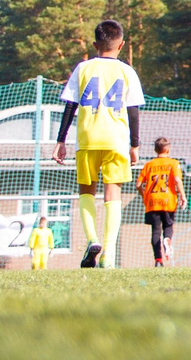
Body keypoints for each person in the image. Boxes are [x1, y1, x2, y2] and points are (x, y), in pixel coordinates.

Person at [54, 19, 146, 269]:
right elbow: (133, 110)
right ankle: (110, 253)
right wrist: (134, 145)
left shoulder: (83, 68)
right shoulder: (127, 71)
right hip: (116, 140)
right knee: (112, 193)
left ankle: (92, 240)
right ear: (122, 45)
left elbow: (70, 106)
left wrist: (61, 141)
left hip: (88, 138)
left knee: (86, 192)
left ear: (95, 44)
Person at [135, 138, 184, 267]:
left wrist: (144, 196)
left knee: (155, 230)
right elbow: (178, 180)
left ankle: (158, 260)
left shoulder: (148, 165)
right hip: (168, 200)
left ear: (156, 150)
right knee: (168, 226)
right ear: (168, 149)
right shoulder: (173, 163)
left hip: (152, 201)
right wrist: (182, 196)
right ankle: (167, 240)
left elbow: (138, 184)